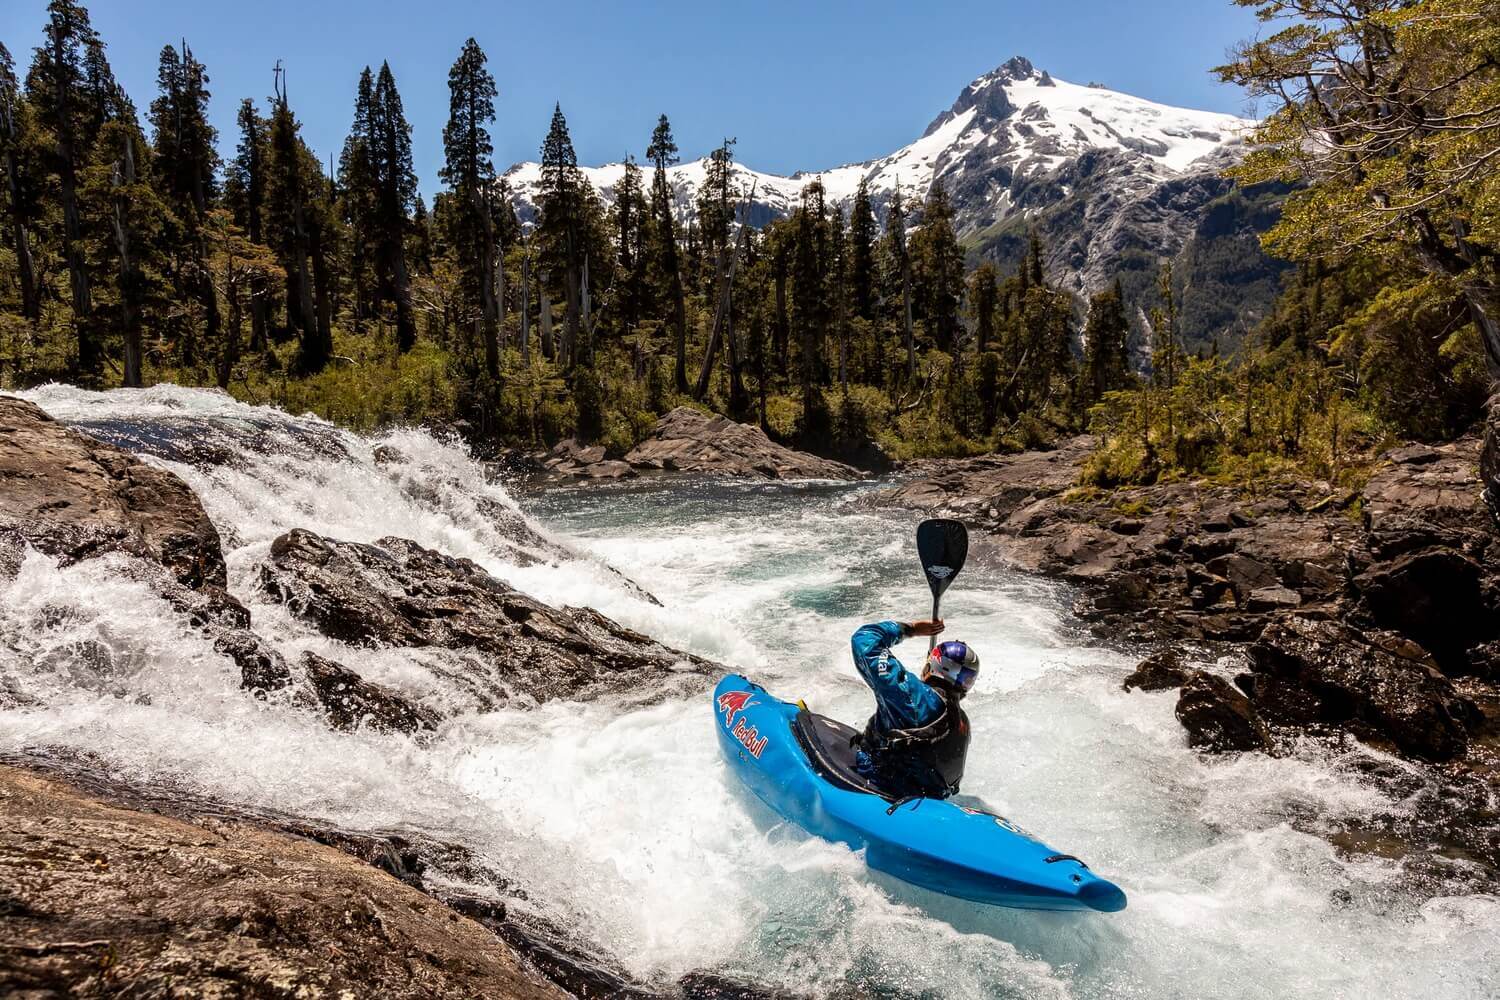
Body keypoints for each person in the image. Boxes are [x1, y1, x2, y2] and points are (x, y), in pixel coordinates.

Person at [849, 618, 979, 800]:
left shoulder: (910, 695)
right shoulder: (961, 721)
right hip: (928, 797)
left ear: (930, 667)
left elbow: (864, 639)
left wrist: (910, 629)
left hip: (882, 784)